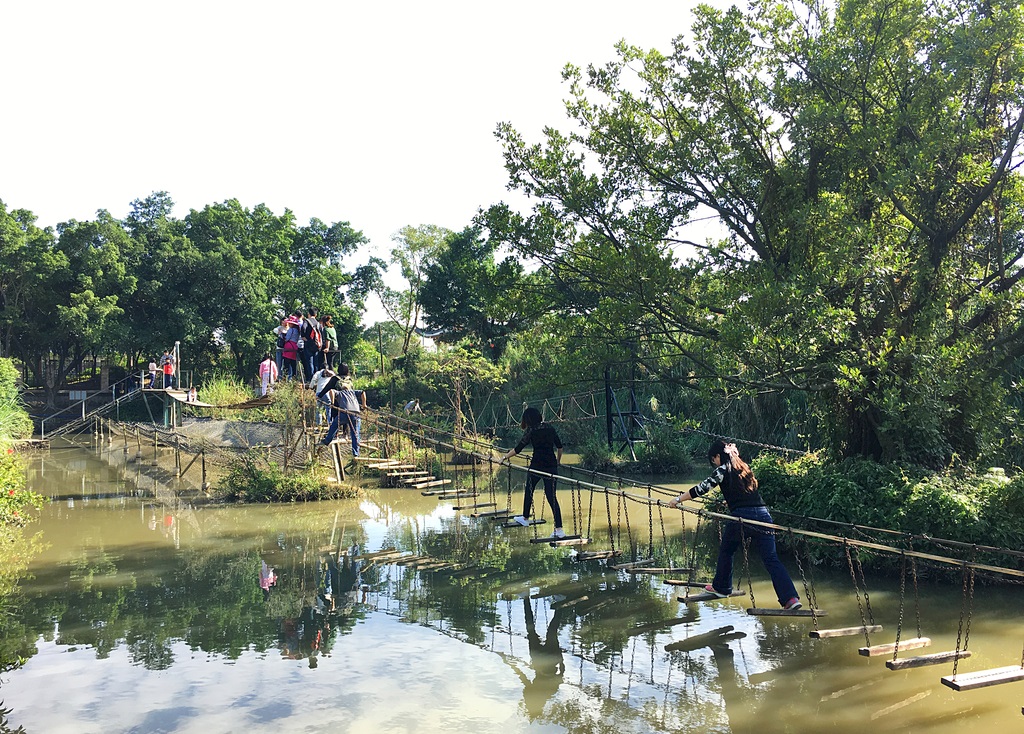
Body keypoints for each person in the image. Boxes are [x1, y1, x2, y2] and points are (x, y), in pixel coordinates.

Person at [667, 439, 801, 610]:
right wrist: (729, 502)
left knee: (727, 550)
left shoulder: (722, 469)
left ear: (717, 456)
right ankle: (790, 599)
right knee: (771, 559)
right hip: (764, 515)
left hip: (741, 517)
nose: (713, 463)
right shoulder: (744, 467)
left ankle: (722, 587)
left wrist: (677, 500)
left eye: (713, 460)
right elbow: (745, 493)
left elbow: (701, 489)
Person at [500, 407, 566, 539]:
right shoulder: (550, 428)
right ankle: (559, 529)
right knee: (551, 497)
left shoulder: (532, 430)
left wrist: (504, 457)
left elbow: (518, 449)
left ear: (528, 420)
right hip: (551, 466)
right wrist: (558, 462)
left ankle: (525, 517)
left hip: (536, 466)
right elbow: (559, 447)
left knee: (529, 490)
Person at [321, 363, 365, 456]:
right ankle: (356, 452)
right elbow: (362, 392)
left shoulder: (335, 380)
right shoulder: (350, 382)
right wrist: (364, 405)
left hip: (342, 408)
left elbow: (329, 390)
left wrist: (331, 403)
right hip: (355, 411)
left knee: (334, 424)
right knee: (355, 433)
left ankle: (328, 439)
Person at [282, 313, 302, 380]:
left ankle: (285, 377)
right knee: (293, 364)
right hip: (294, 346)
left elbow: (287, 338)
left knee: (286, 364)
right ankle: (294, 378)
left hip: (289, 346)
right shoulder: (297, 330)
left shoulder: (291, 329)